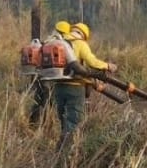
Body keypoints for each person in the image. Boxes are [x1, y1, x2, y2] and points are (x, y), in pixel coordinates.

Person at [48, 20, 116, 153]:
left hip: (58, 87)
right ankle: (66, 154)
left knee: (63, 120)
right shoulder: (80, 43)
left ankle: (60, 150)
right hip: (75, 87)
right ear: (84, 35)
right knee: (74, 121)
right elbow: (92, 62)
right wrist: (108, 66)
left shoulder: (57, 42)